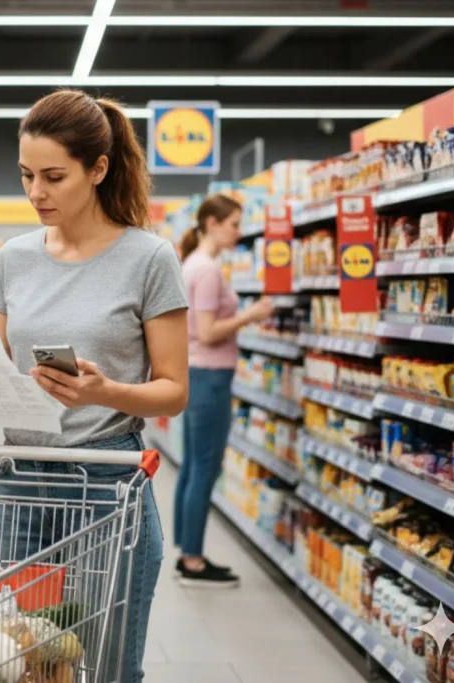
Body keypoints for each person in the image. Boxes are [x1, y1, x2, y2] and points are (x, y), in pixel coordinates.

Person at [0, 90, 189, 682]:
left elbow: (174, 390)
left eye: (53, 176)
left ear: (97, 169)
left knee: (112, 662)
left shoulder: (149, 258)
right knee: (34, 660)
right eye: (25, 175)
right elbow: (0, 369)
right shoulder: (14, 258)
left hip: (107, 480)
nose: (36, 193)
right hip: (23, 480)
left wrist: (105, 393)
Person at [174, 195, 274, 587]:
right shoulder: (207, 269)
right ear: (212, 223)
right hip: (210, 376)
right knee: (205, 467)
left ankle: (186, 549)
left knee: (192, 466)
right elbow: (209, 331)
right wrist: (251, 314)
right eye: (234, 223)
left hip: (196, 374)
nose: (239, 231)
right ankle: (193, 561)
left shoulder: (192, 265)